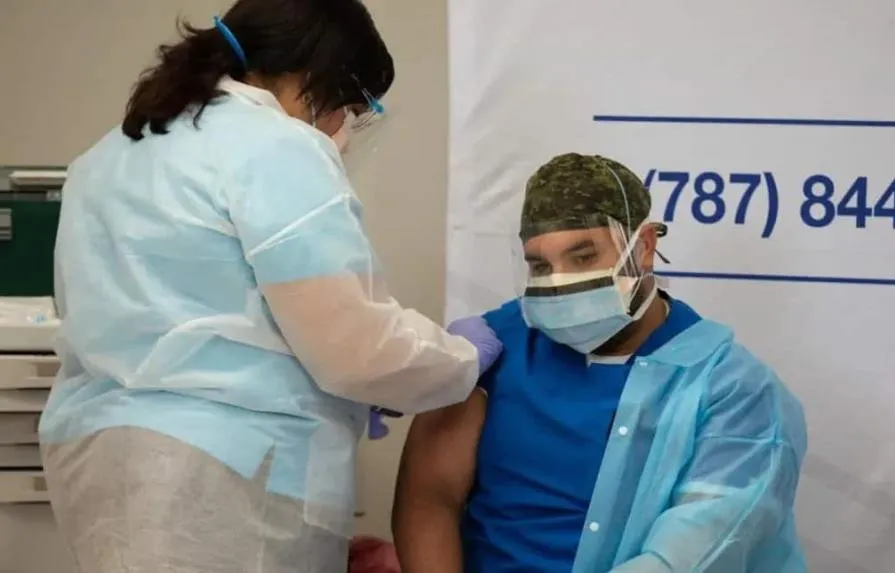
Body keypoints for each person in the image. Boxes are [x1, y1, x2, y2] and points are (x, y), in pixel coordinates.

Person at [38, 1, 502, 572]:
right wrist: (457, 362)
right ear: (313, 75)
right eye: (349, 108)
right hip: (222, 473)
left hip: (101, 460)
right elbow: (355, 347)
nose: (343, 133)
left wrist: (361, 388)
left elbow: (197, 310)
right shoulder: (275, 146)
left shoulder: (108, 154)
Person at [392, 153, 809, 573]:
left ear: (644, 247)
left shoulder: (732, 389)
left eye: (583, 257)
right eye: (541, 265)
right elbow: (429, 501)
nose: (560, 283)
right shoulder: (488, 351)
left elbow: (690, 556)